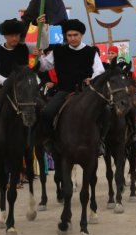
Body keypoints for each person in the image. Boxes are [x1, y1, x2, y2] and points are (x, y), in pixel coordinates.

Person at [0, 17, 49, 144]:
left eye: (17, 35)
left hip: (22, 89)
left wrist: (42, 28)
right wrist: (7, 82)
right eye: (11, 36)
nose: (14, 38)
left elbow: (44, 45)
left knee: (40, 107)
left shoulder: (25, 47)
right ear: (5, 36)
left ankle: (40, 135)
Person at [34, 19, 106, 155]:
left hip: (86, 93)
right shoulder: (58, 50)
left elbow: (100, 71)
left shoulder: (91, 51)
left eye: (75, 35)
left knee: (107, 111)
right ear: (66, 36)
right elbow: (45, 67)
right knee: (47, 113)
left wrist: (93, 79)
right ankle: (49, 140)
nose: (72, 38)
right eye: (69, 35)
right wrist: (39, 58)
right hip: (64, 91)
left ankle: (100, 141)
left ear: (81, 35)